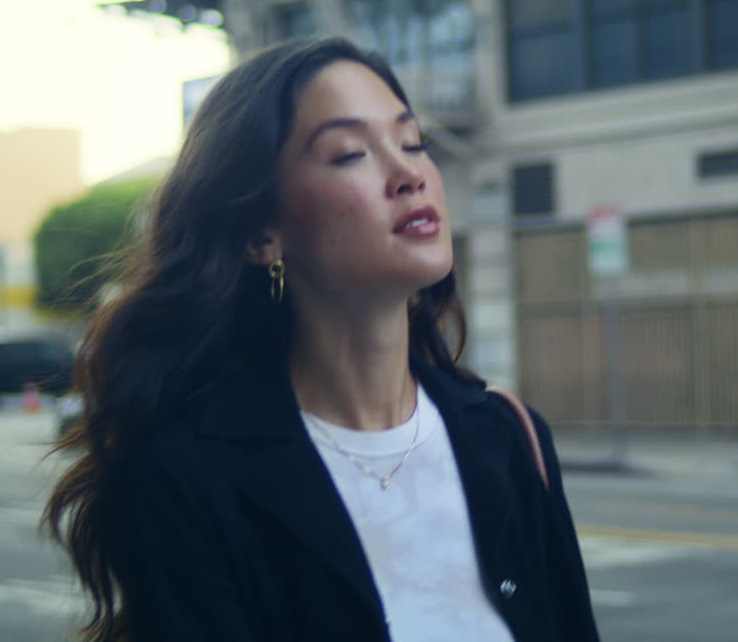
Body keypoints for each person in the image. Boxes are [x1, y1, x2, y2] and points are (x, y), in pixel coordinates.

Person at [42, 36, 600, 642]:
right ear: (262, 233)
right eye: (350, 154)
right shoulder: (183, 478)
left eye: (412, 142)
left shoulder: (509, 437)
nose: (409, 172)